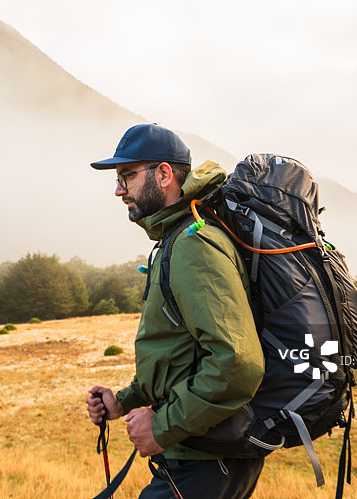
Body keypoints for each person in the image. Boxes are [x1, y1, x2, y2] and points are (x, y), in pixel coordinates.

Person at [86, 124, 266, 499]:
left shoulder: (194, 244)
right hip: (198, 454)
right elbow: (179, 351)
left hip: (206, 459)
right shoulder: (177, 240)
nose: (119, 190)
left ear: (164, 174)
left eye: (128, 176)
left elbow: (238, 363)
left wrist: (162, 426)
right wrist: (125, 400)